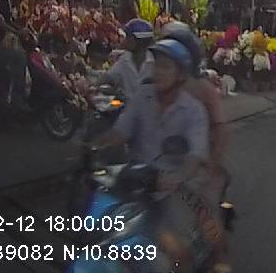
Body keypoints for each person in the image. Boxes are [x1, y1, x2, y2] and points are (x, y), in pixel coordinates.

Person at [161, 21, 232, 273]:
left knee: (206, 213)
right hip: (161, 161)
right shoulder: (154, 84)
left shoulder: (202, 88)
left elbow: (221, 129)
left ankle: (219, 258)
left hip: (199, 163)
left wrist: (212, 163)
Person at [93, 38, 209, 173]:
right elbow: (122, 130)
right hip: (135, 175)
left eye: (165, 67)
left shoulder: (194, 111)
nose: (158, 72)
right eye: (157, 65)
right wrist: (97, 146)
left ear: (181, 75)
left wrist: (179, 176)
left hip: (173, 180)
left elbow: (195, 155)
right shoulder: (142, 96)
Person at [92, 18, 154, 101]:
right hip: (127, 106)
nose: (126, 40)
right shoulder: (125, 59)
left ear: (140, 40)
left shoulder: (154, 61)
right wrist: (93, 86)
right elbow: (108, 76)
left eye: (129, 37)